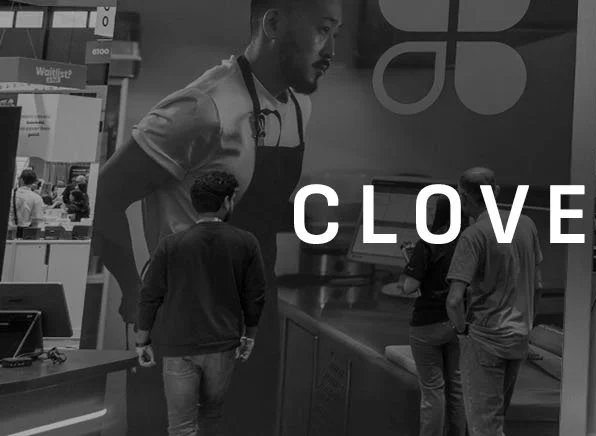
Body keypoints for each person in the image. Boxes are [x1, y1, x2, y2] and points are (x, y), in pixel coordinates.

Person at [93, 1, 340, 432]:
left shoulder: (300, 106)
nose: (332, 49)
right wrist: (133, 289)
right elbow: (104, 198)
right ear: (273, 23)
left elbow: (256, 210)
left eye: (336, 32)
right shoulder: (202, 107)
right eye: (322, 30)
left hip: (254, 312)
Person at [133, 171, 267, 436]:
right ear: (227, 201)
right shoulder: (245, 242)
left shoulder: (170, 245)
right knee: (210, 417)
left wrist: (142, 341)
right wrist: (249, 337)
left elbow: (150, 296)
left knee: (181, 427)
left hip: (178, 345)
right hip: (222, 344)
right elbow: (255, 296)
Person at [445, 168, 544, 436]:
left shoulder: (474, 235)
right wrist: (526, 324)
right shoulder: (526, 225)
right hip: (518, 338)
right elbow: (538, 287)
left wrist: (462, 331)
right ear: (496, 192)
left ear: (463, 197)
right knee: (496, 421)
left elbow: (454, 300)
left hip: (485, 339)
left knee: (484, 427)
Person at [399, 200, 468, 436]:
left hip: (427, 325)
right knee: (457, 388)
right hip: (458, 322)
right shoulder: (469, 243)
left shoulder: (428, 242)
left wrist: (411, 266)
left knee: (432, 390)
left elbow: (410, 287)